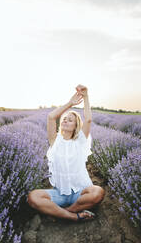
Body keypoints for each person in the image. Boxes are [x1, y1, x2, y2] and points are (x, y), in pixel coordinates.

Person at [27, 84, 105, 221]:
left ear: (76, 126)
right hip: (60, 194)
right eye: (64, 119)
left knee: (98, 192)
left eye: (70, 120)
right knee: (32, 197)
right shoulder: (55, 141)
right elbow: (51, 117)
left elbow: (88, 119)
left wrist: (85, 96)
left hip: (80, 193)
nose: (65, 121)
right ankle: (74, 217)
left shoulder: (80, 141)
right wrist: (70, 103)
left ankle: (63, 212)